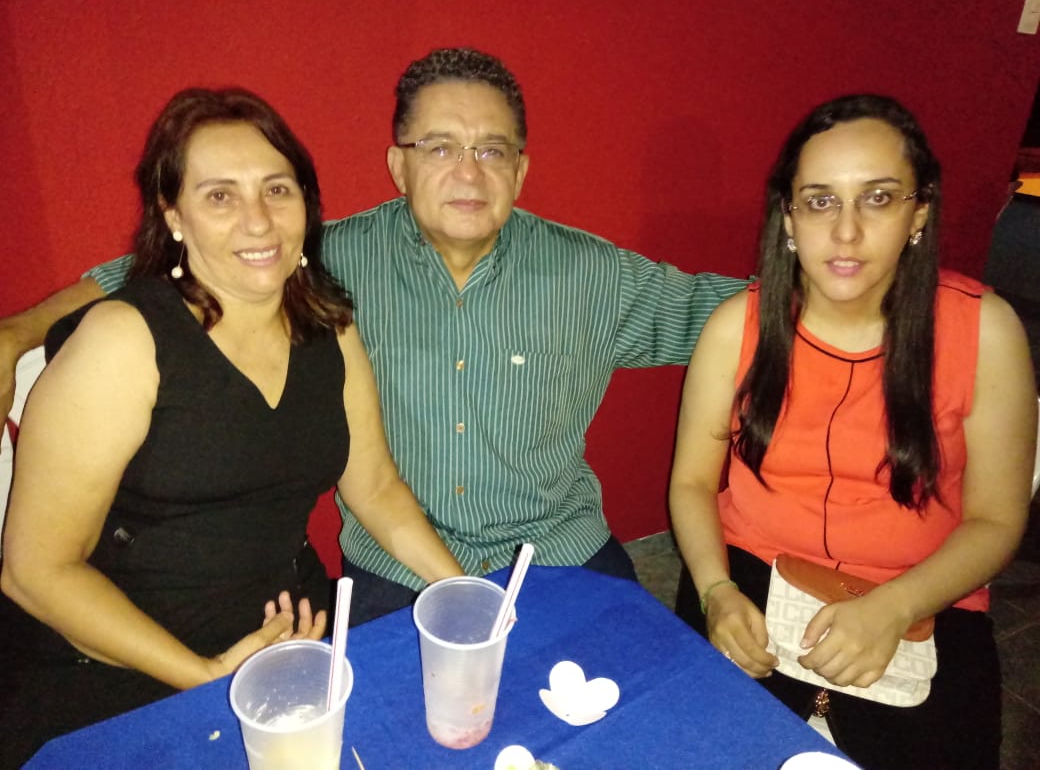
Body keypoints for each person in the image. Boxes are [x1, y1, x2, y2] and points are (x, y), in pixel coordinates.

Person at [0, 48, 747, 626]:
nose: (468, 173)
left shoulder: (596, 274)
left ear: (521, 171)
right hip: (397, 567)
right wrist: (17, 333)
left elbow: (729, 314)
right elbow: (153, 272)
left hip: (558, 551)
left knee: (638, 716)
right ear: (398, 165)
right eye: (439, 147)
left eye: (492, 150)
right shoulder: (312, 256)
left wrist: (822, 269)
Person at [0, 87, 463, 765]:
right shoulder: (123, 340)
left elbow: (376, 489)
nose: (258, 220)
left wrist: (462, 594)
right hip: (115, 661)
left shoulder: (329, 327)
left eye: (277, 189)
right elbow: (35, 572)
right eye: (220, 195)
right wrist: (211, 678)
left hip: (284, 639)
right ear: (174, 215)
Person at [668, 94, 1036, 770]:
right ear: (788, 218)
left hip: (926, 586)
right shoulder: (735, 327)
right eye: (820, 202)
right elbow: (691, 481)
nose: (845, 232)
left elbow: (997, 520)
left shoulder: (986, 331)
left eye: (878, 198)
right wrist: (716, 592)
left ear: (919, 213)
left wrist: (895, 607)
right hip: (750, 570)